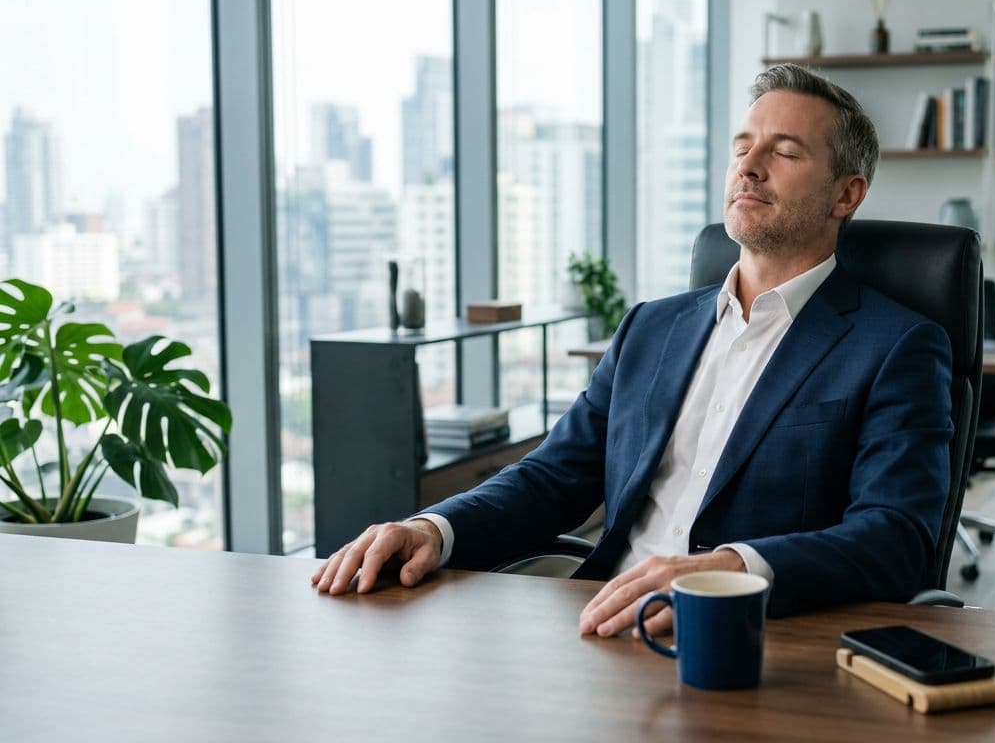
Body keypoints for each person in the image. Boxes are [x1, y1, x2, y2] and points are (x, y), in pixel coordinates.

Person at [312, 63, 953, 638]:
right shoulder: (651, 326)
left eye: (783, 152)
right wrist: (433, 528)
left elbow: (898, 537)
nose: (749, 166)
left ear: (847, 194)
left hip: (747, 641)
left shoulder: (896, 346)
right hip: (600, 626)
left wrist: (727, 571)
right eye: (742, 147)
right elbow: (553, 477)